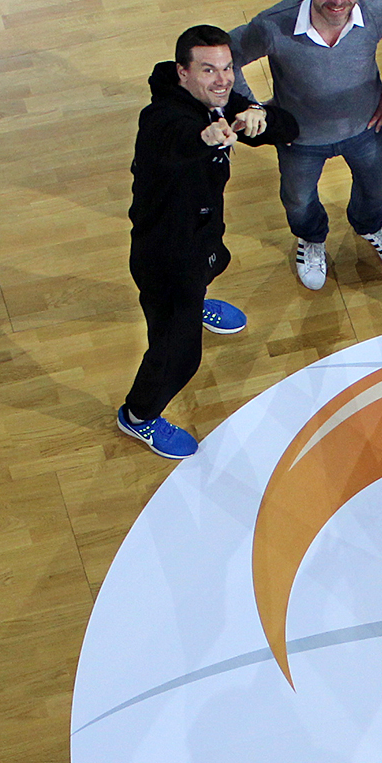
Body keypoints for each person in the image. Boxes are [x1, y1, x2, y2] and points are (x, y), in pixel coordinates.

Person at [118, 25, 297, 459]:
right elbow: (174, 145)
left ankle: (196, 302)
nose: (222, 80)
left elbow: (288, 127)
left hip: (199, 235)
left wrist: (261, 115)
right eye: (208, 70)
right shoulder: (161, 119)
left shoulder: (216, 101)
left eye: (227, 68)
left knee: (213, 265)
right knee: (179, 354)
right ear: (183, 72)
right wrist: (204, 138)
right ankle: (138, 415)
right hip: (165, 255)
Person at [230, 0, 382, 290]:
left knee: (379, 185)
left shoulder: (379, 9)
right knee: (298, 201)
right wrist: (251, 107)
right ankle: (311, 238)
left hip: (365, 127)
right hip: (300, 138)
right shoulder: (274, 25)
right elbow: (229, 55)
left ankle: (369, 224)